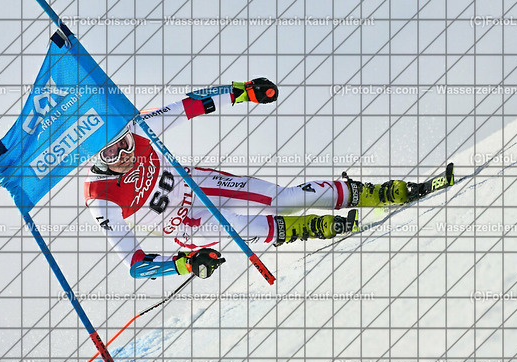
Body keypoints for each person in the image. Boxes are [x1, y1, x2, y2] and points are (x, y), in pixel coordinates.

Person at [85, 78, 411, 280]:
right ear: (96, 160)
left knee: (285, 199)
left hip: (199, 186)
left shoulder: (139, 128)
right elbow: (137, 265)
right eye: (111, 154)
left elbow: (191, 105)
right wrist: (185, 264)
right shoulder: (100, 198)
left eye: (124, 143)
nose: (123, 154)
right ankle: (311, 227)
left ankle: (371, 193)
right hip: (185, 223)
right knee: (242, 225)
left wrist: (244, 92)